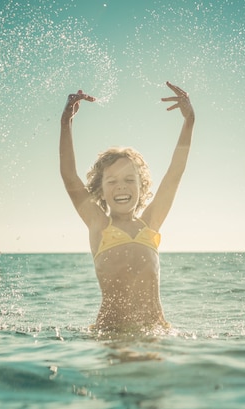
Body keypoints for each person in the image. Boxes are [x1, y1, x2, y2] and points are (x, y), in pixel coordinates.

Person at [59, 81, 195, 333]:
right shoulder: (99, 225)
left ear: (142, 186)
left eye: (129, 180)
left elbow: (175, 172)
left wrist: (189, 121)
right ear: (100, 189)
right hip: (110, 335)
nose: (121, 187)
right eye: (112, 181)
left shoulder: (150, 223)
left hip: (154, 333)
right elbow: (69, 176)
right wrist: (65, 123)